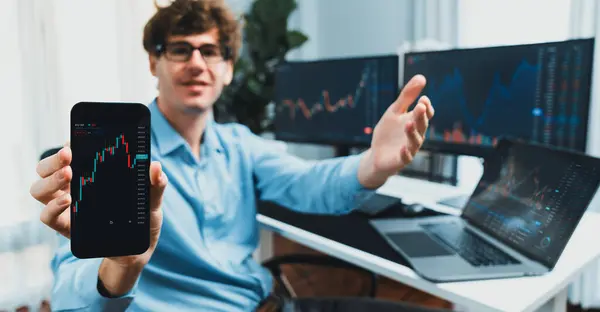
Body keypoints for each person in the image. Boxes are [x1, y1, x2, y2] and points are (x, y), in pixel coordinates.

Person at [29, 0, 435, 311]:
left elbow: (310, 184)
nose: (196, 63)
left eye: (210, 51)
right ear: (154, 62)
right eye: (180, 50)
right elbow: (70, 294)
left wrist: (374, 163)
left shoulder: (241, 145)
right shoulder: (114, 155)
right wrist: (121, 268)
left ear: (227, 68)